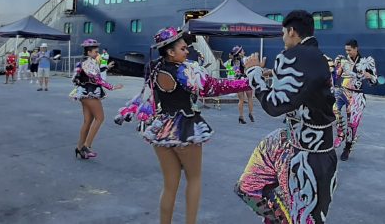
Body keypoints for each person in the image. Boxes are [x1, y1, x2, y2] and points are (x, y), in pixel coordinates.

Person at [117, 27, 252, 224]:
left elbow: (147, 97)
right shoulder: (183, 71)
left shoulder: (155, 69)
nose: (187, 51)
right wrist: (249, 82)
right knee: (194, 179)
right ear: (171, 52)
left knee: (169, 186)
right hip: (185, 128)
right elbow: (214, 87)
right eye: (183, 48)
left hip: (162, 130)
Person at [236, 10, 338, 224]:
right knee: (250, 187)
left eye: (283, 33)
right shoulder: (319, 57)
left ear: (292, 31)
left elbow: (274, 106)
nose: (283, 39)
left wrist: (254, 73)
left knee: (302, 217)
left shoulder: (292, 57)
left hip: (306, 158)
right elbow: (304, 89)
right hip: (304, 148)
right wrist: (271, 74)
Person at [72, 39, 122, 159]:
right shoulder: (89, 62)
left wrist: (106, 68)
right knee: (100, 118)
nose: (97, 53)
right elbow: (97, 79)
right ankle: (86, 146)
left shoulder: (84, 62)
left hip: (83, 93)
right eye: (95, 51)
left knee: (88, 121)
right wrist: (112, 87)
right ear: (89, 52)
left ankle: (79, 148)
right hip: (91, 94)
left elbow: (89, 75)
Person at [333, 39, 378, 161]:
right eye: (346, 50)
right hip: (343, 91)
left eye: (349, 50)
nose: (347, 52)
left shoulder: (367, 62)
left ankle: (347, 148)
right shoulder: (343, 60)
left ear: (356, 48)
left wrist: (370, 76)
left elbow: (375, 82)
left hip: (357, 95)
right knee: (333, 109)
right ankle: (340, 133)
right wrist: (335, 67)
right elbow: (335, 76)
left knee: (352, 124)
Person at [226, 45, 254, 124]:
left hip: (237, 81)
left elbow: (233, 72)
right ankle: (251, 114)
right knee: (250, 98)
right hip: (245, 80)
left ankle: (241, 116)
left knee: (241, 99)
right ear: (239, 53)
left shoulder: (232, 61)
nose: (244, 52)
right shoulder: (244, 60)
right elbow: (246, 69)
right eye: (242, 51)